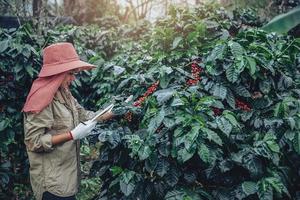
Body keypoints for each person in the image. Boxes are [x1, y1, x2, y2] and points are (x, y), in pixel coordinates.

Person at [22, 42, 113, 200]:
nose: (73, 78)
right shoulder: (42, 99)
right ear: (58, 73)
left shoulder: (64, 93)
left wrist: (105, 114)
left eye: (74, 73)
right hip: (52, 183)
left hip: (67, 177)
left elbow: (81, 113)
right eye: (70, 73)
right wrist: (71, 135)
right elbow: (33, 142)